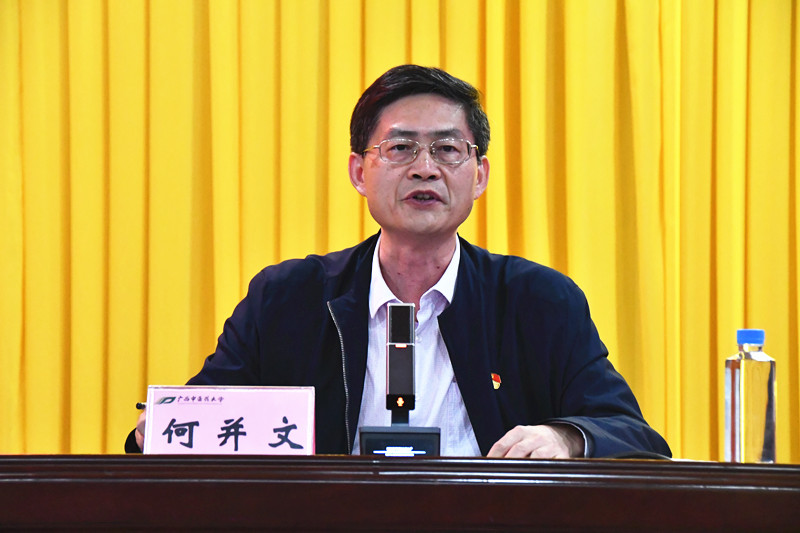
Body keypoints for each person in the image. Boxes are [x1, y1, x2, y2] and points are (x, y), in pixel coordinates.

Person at [127, 65, 670, 459]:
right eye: (401, 148)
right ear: (359, 172)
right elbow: (204, 421)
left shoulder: (537, 300)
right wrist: (159, 428)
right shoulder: (288, 297)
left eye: (447, 150)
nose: (424, 168)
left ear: (479, 175)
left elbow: (632, 433)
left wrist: (565, 437)